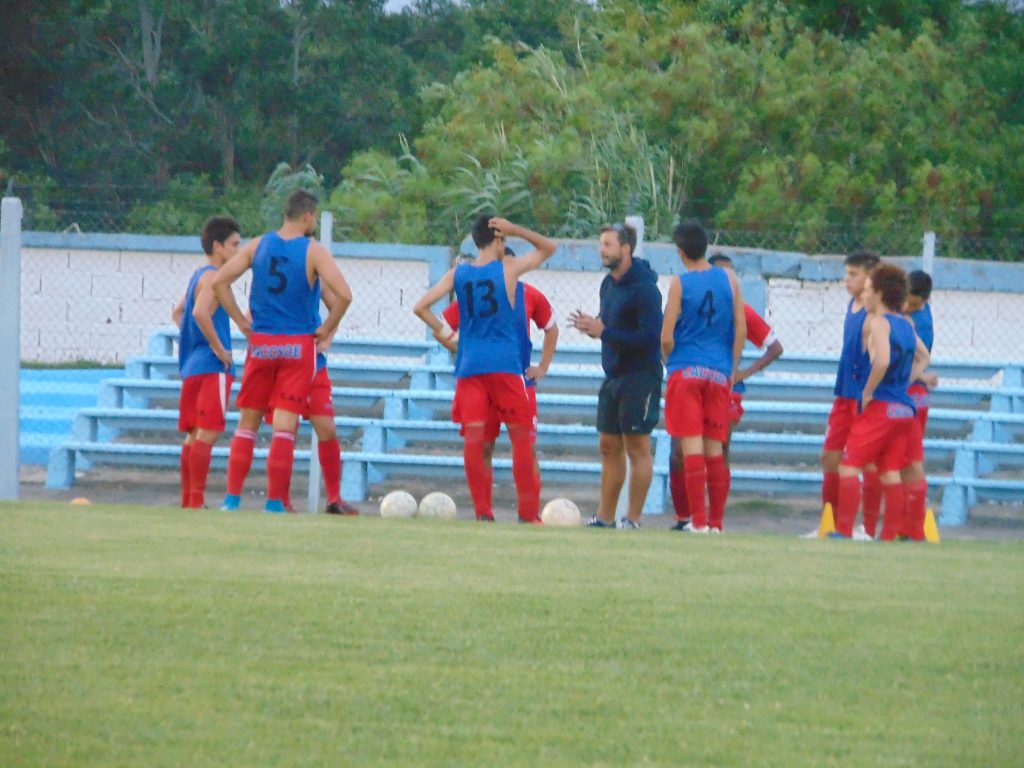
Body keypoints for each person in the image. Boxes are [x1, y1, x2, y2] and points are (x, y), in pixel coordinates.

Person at [212, 190, 352, 513]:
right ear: (308, 216)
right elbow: (344, 295)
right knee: (284, 427)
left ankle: (232, 500)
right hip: (297, 347)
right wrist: (327, 327)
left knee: (247, 422)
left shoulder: (258, 244)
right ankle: (275, 502)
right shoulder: (313, 251)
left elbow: (220, 282)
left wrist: (241, 323)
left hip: (261, 345)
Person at [413, 215, 556, 523]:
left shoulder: (458, 274)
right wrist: (518, 228)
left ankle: (483, 513)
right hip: (505, 366)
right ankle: (528, 516)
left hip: (470, 367)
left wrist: (449, 337)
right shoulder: (507, 269)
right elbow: (548, 248)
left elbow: (420, 307)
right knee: (521, 440)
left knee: (475, 440)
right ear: (499, 239)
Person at [668, 253, 783, 529]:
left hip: (724, 387)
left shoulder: (740, 310)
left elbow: (775, 347)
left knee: (718, 448)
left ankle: (712, 520)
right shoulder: (692, 304)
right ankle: (686, 518)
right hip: (696, 380)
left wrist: (742, 373)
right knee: (678, 451)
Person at [438, 245, 559, 490]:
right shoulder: (477, 296)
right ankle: (484, 514)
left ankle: (530, 514)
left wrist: (543, 367)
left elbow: (551, 328)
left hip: (519, 382)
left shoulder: (531, 296)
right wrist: (463, 349)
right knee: (484, 445)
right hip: (484, 382)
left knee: (526, 447)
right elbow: (443, 325)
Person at [569, 222, 663, 530]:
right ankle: (604, 517)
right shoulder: (608, 285)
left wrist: (605, 331)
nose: (602, 250)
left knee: (637, 446)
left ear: (626, 248)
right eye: (601, 244)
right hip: (613, 375)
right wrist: (594, 327)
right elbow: (610, 327)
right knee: (608, 445)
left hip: (640, 376)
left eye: (608, 245)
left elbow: (650, 338)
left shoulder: (646, 289)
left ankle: (632, 519)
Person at [834, 264, 930, 539]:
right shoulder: (907, 323)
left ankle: (843, 532)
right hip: (904, 408)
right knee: (890, 471)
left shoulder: (880, 322)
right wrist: (905, 382)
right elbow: (924, 358)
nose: (864, 295)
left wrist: (868, 391)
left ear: (878, 293)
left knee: (849, 465)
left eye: (867, 290)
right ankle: (890, 535)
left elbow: (883, 360)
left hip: (883, 405)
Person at [661, 223, 745, 534]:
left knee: (691, 448)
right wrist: (731, 368)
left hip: (686, 370)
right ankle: (717, 523)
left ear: (680, 251)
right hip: (718, 372)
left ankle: (697, 522)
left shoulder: (679, 283)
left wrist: (672, 362)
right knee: (715, 450)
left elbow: (666, 336)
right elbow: (740, 328)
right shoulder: (729, 279)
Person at [171, 216, 241, 509]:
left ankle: (189, 501)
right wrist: (218, 348)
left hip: (191, 366)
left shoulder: (198, 275)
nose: (239, 250)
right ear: (218, 246)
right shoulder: (215, 277)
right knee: (209, 431)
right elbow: (199, 313)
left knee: (194, 434)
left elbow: (179, 313)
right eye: (235, 245)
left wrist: (195, 344)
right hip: (211, 367)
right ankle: (197, 500)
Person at [819, 251, 881, 532]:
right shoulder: (851, 305)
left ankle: (864, 529)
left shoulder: (877, 313)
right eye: (846, 274)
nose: (846, 280)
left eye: (853, 274)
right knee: (830, 457)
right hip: (844, 393)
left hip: (865, 397)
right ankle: (829, 524)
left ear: (871, 277)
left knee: (864, 463)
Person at [901, 270, 937, 540]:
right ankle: (904, 523)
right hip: (910, 392)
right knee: (902, 460)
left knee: (911, 460)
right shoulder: (909, 314)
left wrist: (922, 376)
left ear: (923, 300)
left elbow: (915, 358)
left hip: (913, 393)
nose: (907, 306)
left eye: (912, 304)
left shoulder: (919, 323)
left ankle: (913, 528)